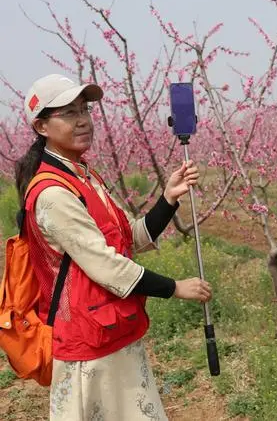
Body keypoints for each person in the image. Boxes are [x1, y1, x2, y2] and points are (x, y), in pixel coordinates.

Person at [15, 73, 211, 421]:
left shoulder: (84, 176)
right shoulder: (54, 194)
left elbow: (128, 237)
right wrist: (175, 288)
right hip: (87, 346)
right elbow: (106, 266)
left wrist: (168, 198)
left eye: (84, 109)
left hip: (111, 330)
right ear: (42, 126)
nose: (82, 120)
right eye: (68, 113)